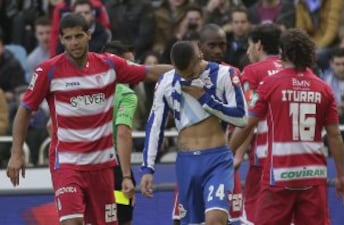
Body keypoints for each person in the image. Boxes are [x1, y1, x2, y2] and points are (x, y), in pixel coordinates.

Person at [6, 13, 172, 225]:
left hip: (102, 166)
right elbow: (24, 111)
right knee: (72, 221)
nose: (74, 42)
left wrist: (192, 71)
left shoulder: (109, 65)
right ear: (62, 40)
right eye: (68, 38)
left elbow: (149, 72)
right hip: (67, 165)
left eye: (78, 36)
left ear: (89, 35)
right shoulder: (48, 70)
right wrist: (16, 152)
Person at [229, 28, 344, 225]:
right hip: (313, 175)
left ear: (282, 52)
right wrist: (342, 176)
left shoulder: (270, 84)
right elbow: (335, 136)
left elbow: (246, 124)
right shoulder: (324, 88)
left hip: (279, 175)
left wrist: (228, 153)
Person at [140, 40, 247, 225]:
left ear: (200, 56)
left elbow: (241, 118)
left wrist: (206, 98)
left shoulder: (224, 74)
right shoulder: (166, 81)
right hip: (186, 162)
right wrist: (148, 168)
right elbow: (155, 125)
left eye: (191, 73)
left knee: (215, 219)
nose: (187, 78)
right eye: (183, 74)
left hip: (217, 160)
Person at [172, 23, 245, 225]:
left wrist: (233, 152)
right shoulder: (178, 74)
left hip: (219, 157)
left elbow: (246, 120)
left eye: (222, 45)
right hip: (190, 160)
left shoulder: (230, 73)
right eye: (212, 45)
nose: (218, 50)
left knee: (223, 219)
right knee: (181, 220)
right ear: (199, 47)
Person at [229, 23, 282, 223]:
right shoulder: (294, 70)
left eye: (249, 45)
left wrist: (237, 155)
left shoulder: (253, 71)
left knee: (254, 216)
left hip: (263, 159)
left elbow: (250, 118)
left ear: (258, 45)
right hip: (295, 158)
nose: (248, 50)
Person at [103, 41, 137, 225]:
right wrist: (126, 176)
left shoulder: (84, 89)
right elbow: (123, 133)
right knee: (122, 221)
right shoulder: (125, 94)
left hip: (86, 166)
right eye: (130, 64)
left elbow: (52, 126)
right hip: (115, 169)